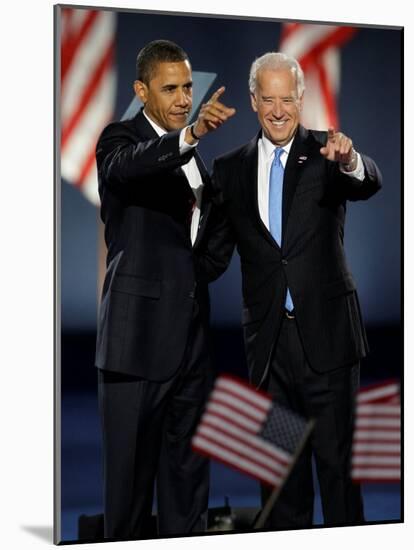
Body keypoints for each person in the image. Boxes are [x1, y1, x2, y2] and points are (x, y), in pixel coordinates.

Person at [211, 52, 382, 529]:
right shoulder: (230, 169)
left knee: (339, 479)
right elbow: (212, 255)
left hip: (327, 345)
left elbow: (370, 181)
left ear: (302, 98)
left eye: (288, 98)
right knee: (281, 486)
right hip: (270, 353)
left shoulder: (329, 152)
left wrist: (350, 160)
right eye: (269, 99)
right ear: (253, 101)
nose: (279, 109)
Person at [95, 39, 235, 539]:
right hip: (135, 348)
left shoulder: (195, 157)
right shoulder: (119, 140)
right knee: (129, 497)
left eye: (188, 87)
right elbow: (128, 166)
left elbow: (208, 237)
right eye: (170, 88)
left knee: (188, 488)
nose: (182, 98)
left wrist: (198, 276)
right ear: (142, 90)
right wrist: (191, 134)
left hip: (192, 347)